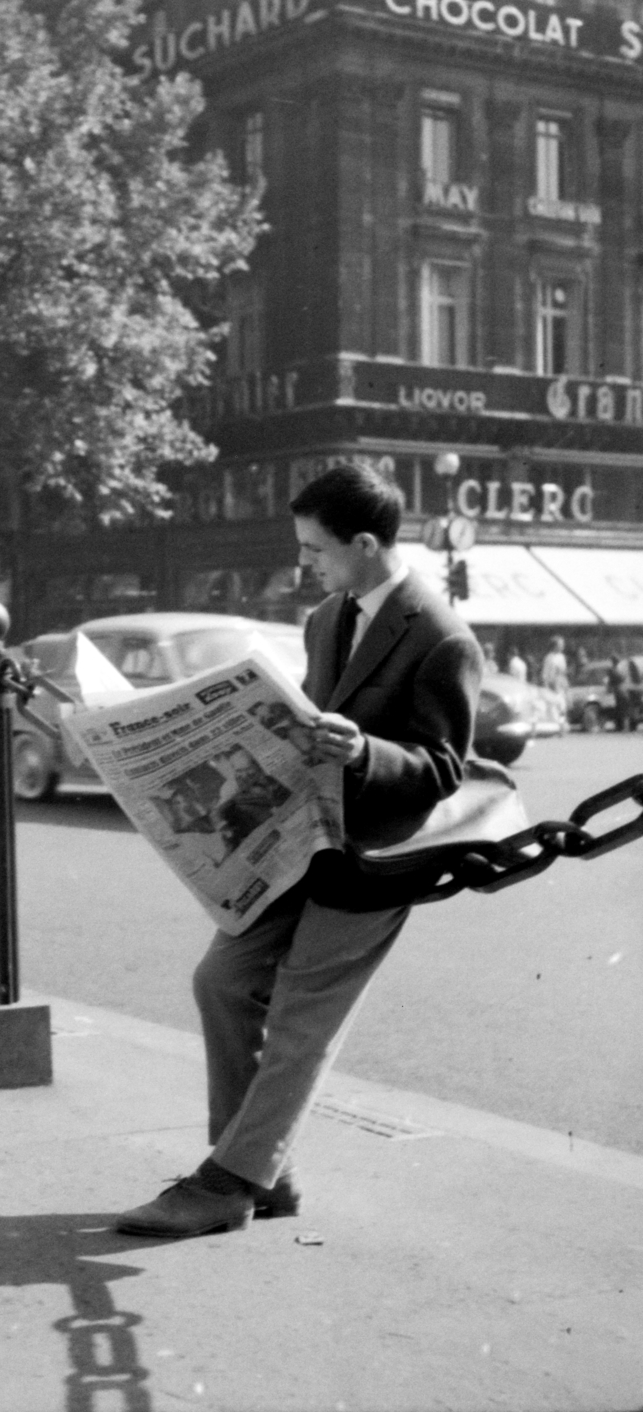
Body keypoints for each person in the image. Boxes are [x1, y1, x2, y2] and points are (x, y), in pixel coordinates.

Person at [115, 463, 482, 1240]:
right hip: (299, 838)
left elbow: (443, 769)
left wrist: (364, 752)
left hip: (376, 857)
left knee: (299, 1019)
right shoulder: (325, 618)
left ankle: (227, 1183)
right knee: (220, 981)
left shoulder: (442, 636)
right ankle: (262, 1173)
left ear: (363, 544)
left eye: (315, 548)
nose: (303, 561)